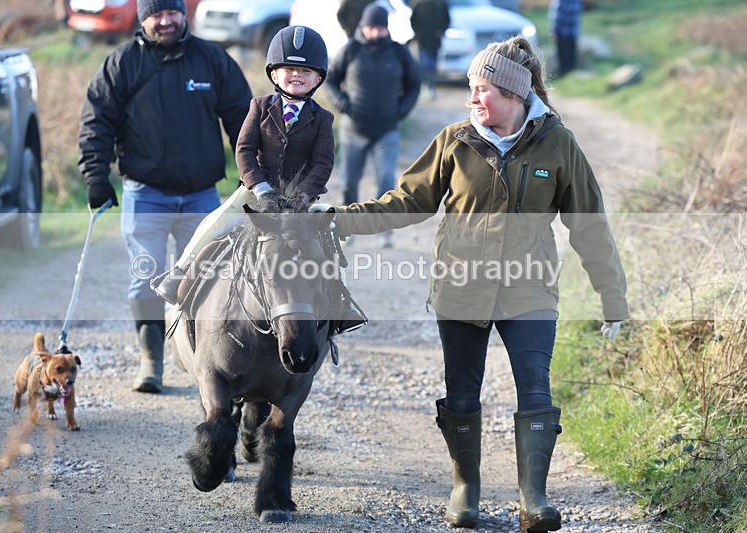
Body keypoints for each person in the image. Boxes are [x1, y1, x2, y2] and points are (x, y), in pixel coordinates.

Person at [316, 36, 628, 530]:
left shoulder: (558, 143)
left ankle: (535, 498)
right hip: (461, 286)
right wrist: (338, 218)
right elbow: (406, 202)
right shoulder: (455, 140)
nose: (473, 99)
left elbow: (589, 225)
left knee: (535, 389)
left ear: (513, 94)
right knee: (462, 391)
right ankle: (466, 489)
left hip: (529, 289)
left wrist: (614, 299)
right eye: (471, 89)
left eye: (482, 89)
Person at [78, 0, 252, 393]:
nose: (165, 20)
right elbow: (97, 121)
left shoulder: (213, 61)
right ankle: (151, 361)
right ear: (143, 19)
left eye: (171, 11)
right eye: (155, 13)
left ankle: (214, 362)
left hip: (202, 198)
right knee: (145, 280)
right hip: (145, 195)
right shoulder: (121, 65)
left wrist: (252, 175)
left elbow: (243, 121)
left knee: (212, 282)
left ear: (182, 14)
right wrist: (95, 175)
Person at [152, 25, 366, 335]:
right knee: (215, 224)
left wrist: (302, 196)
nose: (297, 75)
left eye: (305, 71)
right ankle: (181, 273)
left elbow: (322, 163)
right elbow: (244, 150)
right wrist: (261, 188)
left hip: (299, 202)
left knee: (324, 243)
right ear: (274, 74)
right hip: (255, 193)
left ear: (318, 79)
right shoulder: (259, 107)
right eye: (289, 69)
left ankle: (339, 304)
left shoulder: (323, 119)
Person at [325, 3, 420, 248]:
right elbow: (331, 81)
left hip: (387, 131)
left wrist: (401, 111)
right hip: (354, 130)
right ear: (363, 27)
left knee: (386, 181)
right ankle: (347, 228)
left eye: (380, 28)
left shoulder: (399, 53)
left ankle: (384, 231)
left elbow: (414, 85)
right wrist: (344, 105)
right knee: (348, 182)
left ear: (387, 28)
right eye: (371, 28)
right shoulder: (350, 50)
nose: (376, 33)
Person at [410, 0, 451, 100]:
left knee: (432, 65)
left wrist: (441, 31)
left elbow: (447, 19)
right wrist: (418, 35)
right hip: (423, 42)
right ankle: (426, 85)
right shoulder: (420, 5)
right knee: (425, 64)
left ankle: (431, 86)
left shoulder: (440, 4)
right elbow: (413, 21)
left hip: (435, 41)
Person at [549, 0, 582, 76]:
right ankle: (568, 72)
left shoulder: (560, 2)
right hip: (571, 32)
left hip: (564, 32)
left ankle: (565, 73)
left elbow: (556, 16)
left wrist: (554, 30)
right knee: (569, 54)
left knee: (564, 55)